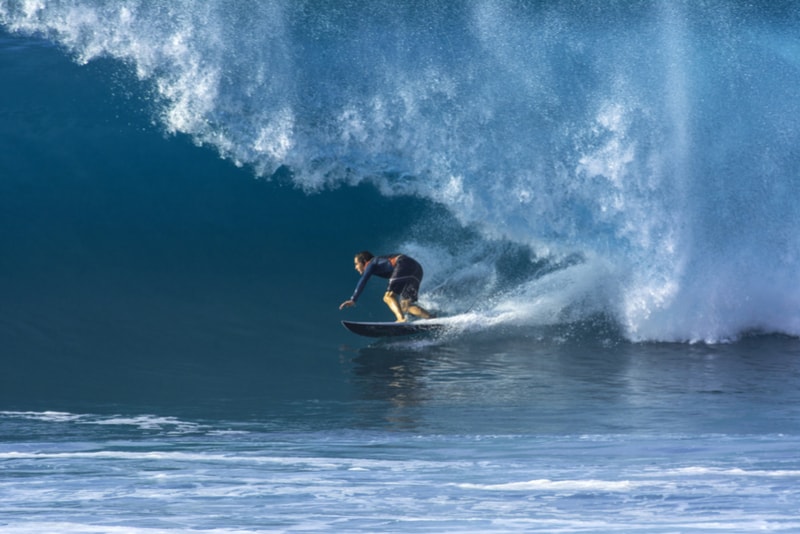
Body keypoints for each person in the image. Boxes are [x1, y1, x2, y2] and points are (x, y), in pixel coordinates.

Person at [339, 251, 432, 322]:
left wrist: (353, 299)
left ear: (364, 261)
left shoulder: (371, 263)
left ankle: (401, 319)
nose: (355, 267)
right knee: (405, 306)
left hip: (403, 264)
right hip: (417, 269)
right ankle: (432, 318)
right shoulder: (380, 263)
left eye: (356, 264)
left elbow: (364, 279)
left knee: (388, 297)